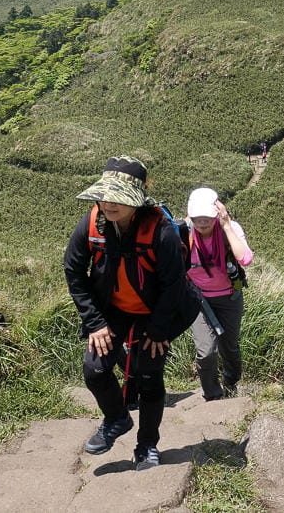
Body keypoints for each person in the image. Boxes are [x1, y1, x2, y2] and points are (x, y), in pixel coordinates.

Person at [64, 155, 190, 470]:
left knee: (148, 376)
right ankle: (116, 418)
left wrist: (159, 330)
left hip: (155, 310)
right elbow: (73, 271)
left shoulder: (160, 231)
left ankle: (147, 446)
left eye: (119, 198)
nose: (110, 203)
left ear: (137, 201)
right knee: (95, 369)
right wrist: (95, 323)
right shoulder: (92, 223)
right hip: (113, 309)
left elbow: (174, 284)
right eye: (105, 196)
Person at [183, 187, 253, 400]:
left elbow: (245, 259)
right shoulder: (183, 232)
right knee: (206, 352)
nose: (202, 223)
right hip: (198, 299)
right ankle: (212, 395)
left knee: (229, 347)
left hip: (229, 297)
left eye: (207, 218)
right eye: (197, 218)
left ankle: (231, 385)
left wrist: (226, 226)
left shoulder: (228, 229)